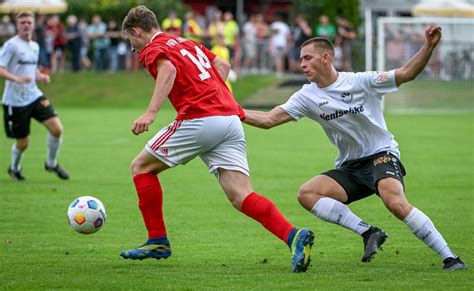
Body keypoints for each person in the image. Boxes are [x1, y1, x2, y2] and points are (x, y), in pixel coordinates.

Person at [242, 25, 466, 271]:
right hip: (351, 166)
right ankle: (369, 232)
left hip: (381, 154)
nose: (301, 64)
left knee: (394, 201)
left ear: (326, 57)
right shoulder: (306, 96)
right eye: (300, 60)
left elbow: (407, 73)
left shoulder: (361, 81)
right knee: (307, 194)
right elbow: (268, 120)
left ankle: (450, 258)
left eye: (307, 58)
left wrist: (429, 45)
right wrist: (232, 110)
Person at [119, 5, 314, 273]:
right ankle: (293, 236)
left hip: (199, 118)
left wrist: (151, 113)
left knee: (140, 167)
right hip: (231, 119)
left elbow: (168, 72)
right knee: (241, 195)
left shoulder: (152, 48)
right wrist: (215, 96)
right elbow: (223, 64)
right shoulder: (187, 42)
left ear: (137, 31)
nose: (132, 48)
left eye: (131, 41)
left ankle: (158, 241)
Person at [0, 11, 69, 181]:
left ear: (34, 24)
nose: (26, 25)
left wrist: (40, 76)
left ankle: (51, 163)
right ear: (17, 26)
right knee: (23, 143)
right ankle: (14, 168)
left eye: (28, 22)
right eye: (22, 22)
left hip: (33, 95)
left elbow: (31, 70)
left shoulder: (35, 46)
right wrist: (17, 79)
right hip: (15, 101)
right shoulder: (11, 45)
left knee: (57, 129)